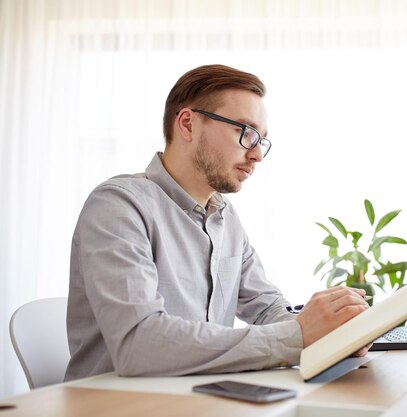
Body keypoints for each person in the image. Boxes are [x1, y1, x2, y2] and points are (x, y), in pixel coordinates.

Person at [64, 64, 370, 381]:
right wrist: (298, 337)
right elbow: (139, 344)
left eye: (261, 140)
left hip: (196, 399)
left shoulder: (226, 219)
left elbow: (266, 307)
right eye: (246, 133)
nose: (257, 155)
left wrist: (333, 332)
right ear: (187, 124)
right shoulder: (119, 206)